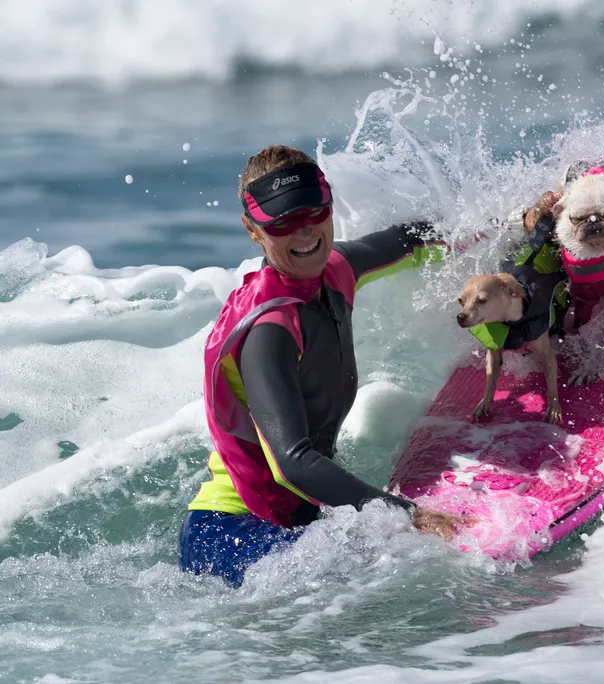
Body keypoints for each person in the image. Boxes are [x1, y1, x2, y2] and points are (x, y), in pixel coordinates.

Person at [180, 145, 472, 587]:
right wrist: (412, 516)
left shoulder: (335, 271)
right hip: (232, 537)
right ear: (253, 231)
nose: (305, 232)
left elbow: (414, 240)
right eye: (283, 223)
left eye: (314, 212)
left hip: (293, 526)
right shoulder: (270, 328)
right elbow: (293, 462)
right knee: (402, 571)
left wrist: (521, 225)